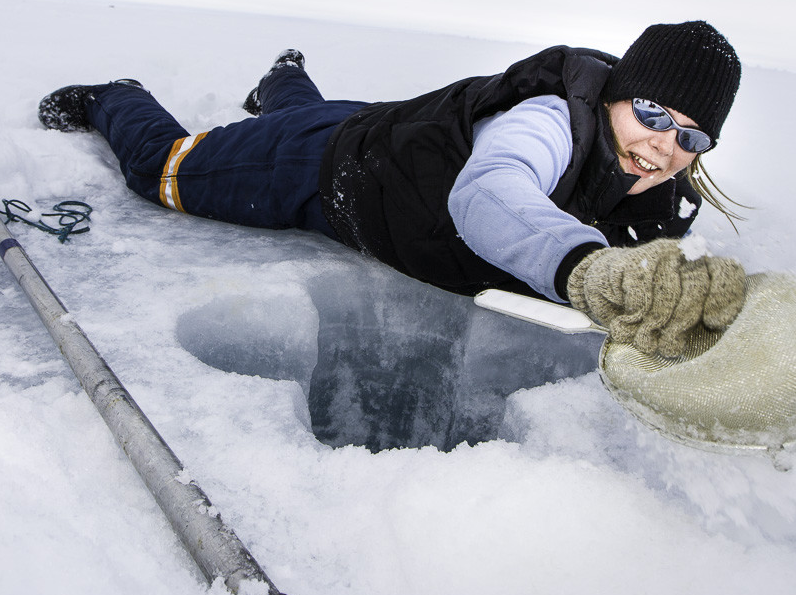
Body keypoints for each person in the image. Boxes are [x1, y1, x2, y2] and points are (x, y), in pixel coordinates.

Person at [38, 20, 749, 357]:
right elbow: (490, 192)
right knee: (160, 169)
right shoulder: (547, 121)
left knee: (304, 111)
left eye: (692, 136)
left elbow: (652, 281)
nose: (665, 144)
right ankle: (119, 96)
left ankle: (283, 81)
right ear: (615, 99)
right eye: (653, 114)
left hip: (380, 139)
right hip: (318, 168)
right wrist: (587, 268)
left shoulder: (656, 190)